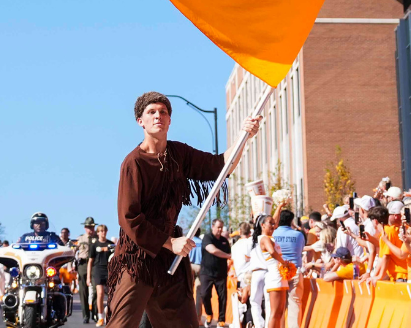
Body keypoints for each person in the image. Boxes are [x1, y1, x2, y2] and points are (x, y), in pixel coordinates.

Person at [108, 92, 260, 328]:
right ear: (141, 121)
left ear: (170, 120)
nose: (158, 116)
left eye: (163, 112)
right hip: (138, 259)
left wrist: (244, 135)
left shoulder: (179, 154)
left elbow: (219, 166)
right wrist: (170, 242)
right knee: (122, 325)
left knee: (185, 324)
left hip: (171, 259)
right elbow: (130, 218)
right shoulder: (133, 162)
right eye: (152, 112)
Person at [254, 207, 290, 328]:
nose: (274, 225)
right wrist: (283, 262)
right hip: (274, 275)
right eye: (270, 224)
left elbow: (274, 220)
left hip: (280, 274)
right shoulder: (264, 238)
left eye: (274, 224)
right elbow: (272, 252)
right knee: (275, 312)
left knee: (280, 311)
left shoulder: (269, 237)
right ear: (262, 225)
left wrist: (279, 207)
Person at [271, 210, 303, 327]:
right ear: (291, 221)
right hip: (294, 270)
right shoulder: (298, 235)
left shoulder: (273, 234)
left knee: (279, 306)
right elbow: (300, 251)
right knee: (294, 303)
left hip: (278, 271)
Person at [198, 219, 230, 328]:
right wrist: (228, 256)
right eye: (218, 227)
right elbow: (212, 250)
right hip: (206, 273)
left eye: (221, 227)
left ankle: (221, 320)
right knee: (204, 294)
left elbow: (230, 255)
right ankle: (209, 314)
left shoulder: (224, 241)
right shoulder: (207, 238)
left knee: (222, 297)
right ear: (213, 227)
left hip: (221, 274)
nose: (220, 229)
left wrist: (229, 263)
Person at [88, 224, 114, 326]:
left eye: (104, 231)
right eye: (101, 231)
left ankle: (109, 314)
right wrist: (88, 277)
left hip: (108, 270)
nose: (103, 233)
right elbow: (90, 262)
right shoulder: (94, 245)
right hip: (98, 270)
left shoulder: (110, 244)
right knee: (100, 293)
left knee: (111, 294)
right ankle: (100, 317)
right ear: (97, 233)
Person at [76, 217, 98, 323]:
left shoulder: (98, 238)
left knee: (96, 290)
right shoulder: (80, 239)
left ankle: (95, 313)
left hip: (95, 265)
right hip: (83, 265)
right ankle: (85, 315)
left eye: (92, 227)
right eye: (88, 227)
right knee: (83, 291)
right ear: (85, 228)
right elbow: (74, 253)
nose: (90, 229)